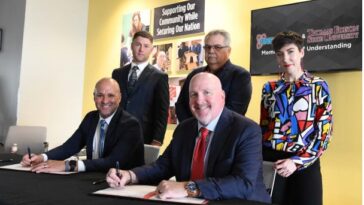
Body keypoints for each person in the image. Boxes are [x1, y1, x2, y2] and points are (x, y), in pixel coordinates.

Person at [106, 73, 271, 203]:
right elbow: (162, 166)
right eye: (193, 94)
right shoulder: (184, 128)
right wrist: (129, 175)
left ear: (222, 96)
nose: (199, 100)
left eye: (207, 92)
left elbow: (243, 184)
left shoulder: (247, 130)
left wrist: (188, 188)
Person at [260, 31, 333, 205]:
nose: (285, 58)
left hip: (305, 163)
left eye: (290, 51)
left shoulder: (318, 86)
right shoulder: (269, 89)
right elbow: (264, 128)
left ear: (301, 52)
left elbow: (324, 134)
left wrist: (296, 162)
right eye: (280, 54)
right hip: (273, 162)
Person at [20, 78, 144, 173]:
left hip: (122, 185)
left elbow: (113, 161)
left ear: (119, 97)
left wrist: (70, 165)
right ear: (94, 97)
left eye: (111, 95)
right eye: (100, 95)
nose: (105, 101)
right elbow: (69, 147)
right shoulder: (91, 118)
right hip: (91, 178)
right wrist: (42, 157)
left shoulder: (130, 125)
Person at [175, 29, 252, 123]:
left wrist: (205, 127)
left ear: (228, 50)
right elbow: (181, 105)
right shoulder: (194, 75)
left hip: (225, 134)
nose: (211, 51)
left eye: (217, 47)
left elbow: (234, 111)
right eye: (207, 47)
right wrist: (194, 128)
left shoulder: (240, 76)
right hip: (192, 134)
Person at [112, 31, 169, 146]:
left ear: (152, 50)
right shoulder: (117, 74)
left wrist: (157, 141)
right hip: (116, 137)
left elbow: (162, 112)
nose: (141, 49)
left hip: (143, 138)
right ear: (132, 45)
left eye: (146, 46)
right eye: (138, 44)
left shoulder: (159, 77)